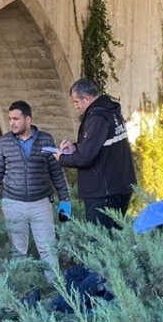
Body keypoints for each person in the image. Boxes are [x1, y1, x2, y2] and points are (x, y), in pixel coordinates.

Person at [0, 100, 71, 280]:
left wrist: (65, 200)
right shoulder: (4, 142)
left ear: (28, 119)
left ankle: (55, 290)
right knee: (17, 252)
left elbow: (56, 171)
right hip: (12, 204)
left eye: (16, 119)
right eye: (10, 119)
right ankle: (21, 291)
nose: (12, 123)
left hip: (41, 204)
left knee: (48, 250)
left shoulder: (46, 139)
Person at [54, 78, 136, 228]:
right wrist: (75, 147)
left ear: (86, 98)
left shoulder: (97, 118)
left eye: (76, 102)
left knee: (100, 240)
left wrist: (62, 158)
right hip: (120, 186)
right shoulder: (111, 112)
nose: (75, 107)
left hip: (103, 192)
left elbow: (84, 158)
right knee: (114, 238)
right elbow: (98, 146)